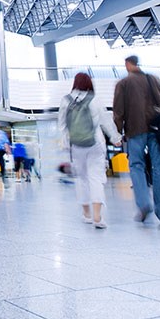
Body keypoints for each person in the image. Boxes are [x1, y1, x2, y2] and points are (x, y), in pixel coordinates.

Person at [113, 55, 160, 224]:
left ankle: (144, 203)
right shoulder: (153, 80)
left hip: (135, 130)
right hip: (157, 129)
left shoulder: (123, 84)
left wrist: (117, 133)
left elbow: (118, 111)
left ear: (127, 64)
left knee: (136, 166)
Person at [59, 73, 120, 229]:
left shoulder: (66, 101)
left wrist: (67, 145)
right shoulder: (94, 99)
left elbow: (63, 126)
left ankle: (86, 214)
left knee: (82, 179)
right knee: (96, 178)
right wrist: (115, 137)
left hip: (76, 146)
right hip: (95, 144)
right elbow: (106, 121)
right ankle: (98, 217)